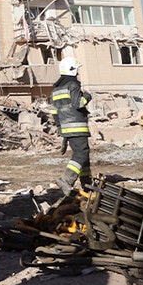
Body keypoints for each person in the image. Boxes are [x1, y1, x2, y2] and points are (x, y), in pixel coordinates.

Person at [52, 56, 92, 196]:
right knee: (81, 153)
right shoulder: (73, 85)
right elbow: (78, 103)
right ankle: (66, 179)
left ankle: (87, 183)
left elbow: (54, 111)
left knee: (83, 154)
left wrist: (60, 128)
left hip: (66, 127)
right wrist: (87, 96)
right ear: (72, 70)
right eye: (77, 70)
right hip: (77, 126)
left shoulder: (56, 89)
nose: (78, 73)